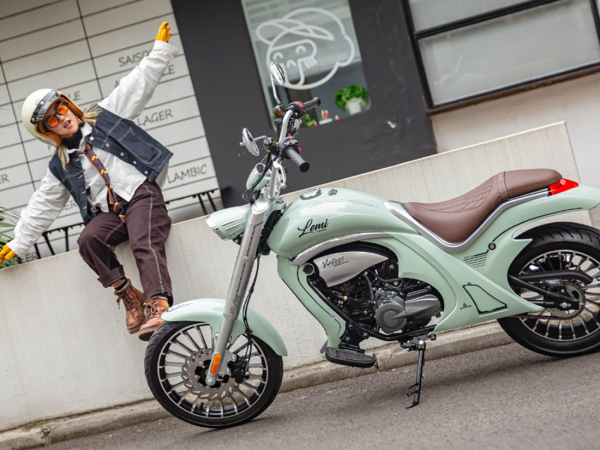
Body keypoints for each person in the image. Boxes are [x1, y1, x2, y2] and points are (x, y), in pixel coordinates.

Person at [0, 22, 180, 341]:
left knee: (143, 241)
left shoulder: (105, 115)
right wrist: (18, 242)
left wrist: (159, 52)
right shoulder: (60, 164)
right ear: (47, 132)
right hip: (111, 213)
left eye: (61, 108)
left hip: (141, 194)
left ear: (69, 104)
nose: (63, 118)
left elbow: (136, 85)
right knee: (88, 239)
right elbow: (43, 204)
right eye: (52, 119)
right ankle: (128, 294)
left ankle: (158, 304)